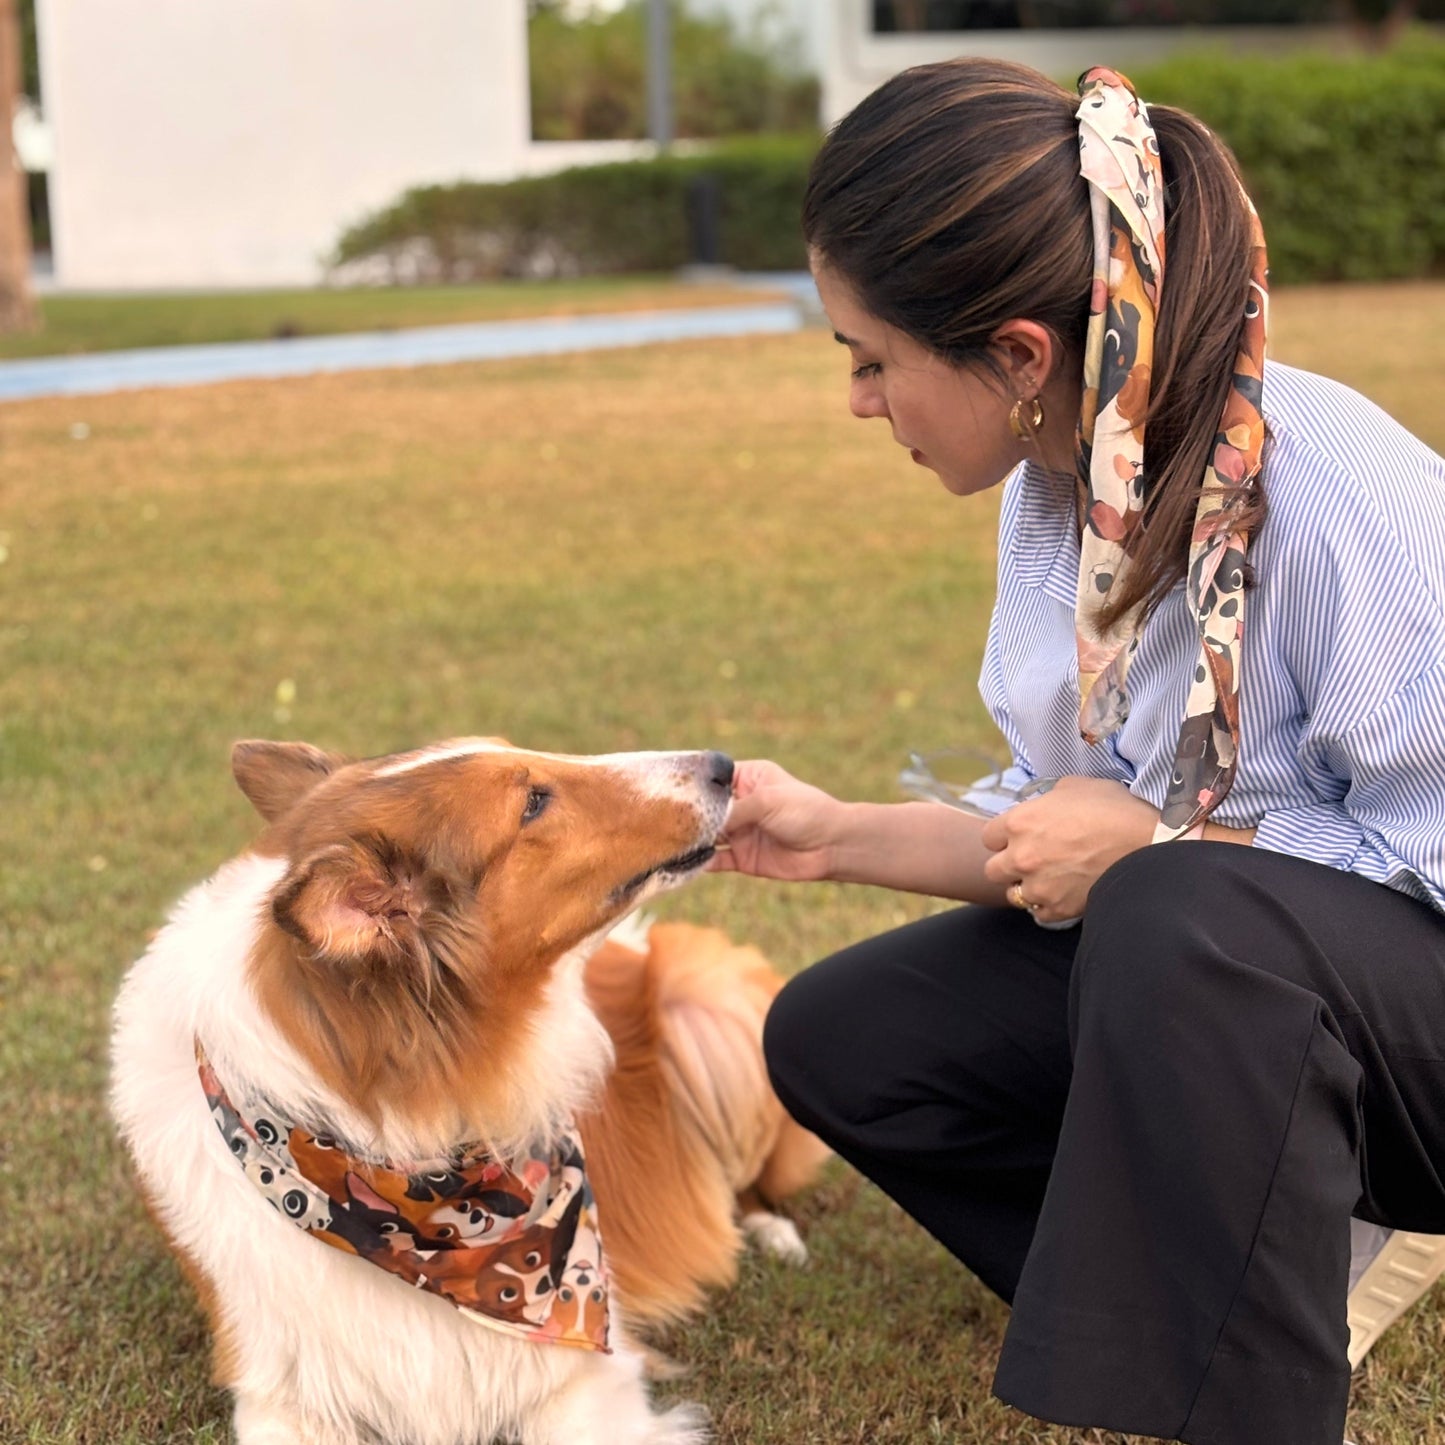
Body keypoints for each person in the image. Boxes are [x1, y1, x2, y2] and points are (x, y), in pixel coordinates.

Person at [709, 57, 1445, 1445]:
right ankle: (1261, 1261)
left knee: (1176, 909)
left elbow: (1395, 866)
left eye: (873, 361)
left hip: (1397, 1015)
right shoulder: (1059, 497)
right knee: (843, 1039)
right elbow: (1059, 825)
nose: (860, 401)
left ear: (1018, 358)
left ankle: (1267, 1398)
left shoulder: (1345, 495)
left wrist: (1171, 850)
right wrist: (830, 833)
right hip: (1231, 965)